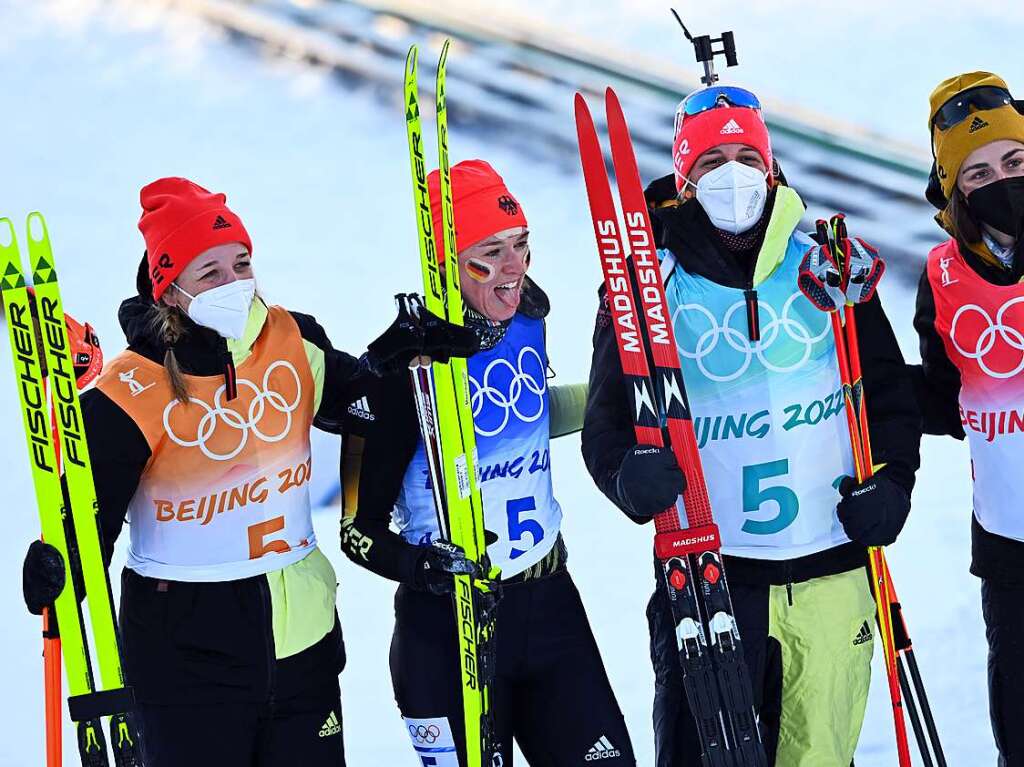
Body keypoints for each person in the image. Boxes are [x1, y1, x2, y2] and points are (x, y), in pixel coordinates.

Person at [20, 177, 477, 767]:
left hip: (305, 651)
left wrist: (393, 359)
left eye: (241, 264)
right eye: (210, 273)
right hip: (185, 670)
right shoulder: (128, 393)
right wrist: (57, 567)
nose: (234, 284)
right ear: (170, 289)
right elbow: (88, 529)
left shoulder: (292, 337)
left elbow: (358, 405)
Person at [581, 86, 921, 765]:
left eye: (745, 156)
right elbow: (605, 423)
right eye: (711, 161)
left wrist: (895, 483)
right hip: (713, 577)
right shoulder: (650, 282)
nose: (732, 175)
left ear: (769, 168)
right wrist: (626, 476)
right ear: (685, 179)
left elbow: (886, 393)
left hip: (832, 565)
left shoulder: (824, 263)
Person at [339, 159, 635, 766]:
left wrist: (621, 400)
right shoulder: (405, 367)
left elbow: (523, 416)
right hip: (449, 630)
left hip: (549, 603)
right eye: (490, 252)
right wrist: (421, 567)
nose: (512, 270)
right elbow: (356, 534)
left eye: (521, 246)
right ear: (446, 258)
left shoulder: (525, 321)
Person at [913, 71, 1024, 765]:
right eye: (978, 172)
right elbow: (944, 398)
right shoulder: (945, 275)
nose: (1001, 181)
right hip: (1010, 543)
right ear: (956, 190)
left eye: (1015, 162)